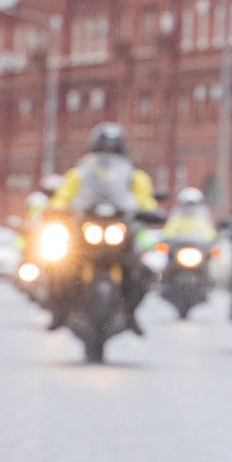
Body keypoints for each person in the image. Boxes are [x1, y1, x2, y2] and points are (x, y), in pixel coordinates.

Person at [46, 123, 159, 330]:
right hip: (85, 227)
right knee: (59, 265)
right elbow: (63, 196)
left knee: (141, 270)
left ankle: (131, 312)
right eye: (104, 149)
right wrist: (56, 209)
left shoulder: (134, 176)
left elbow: (146, 200)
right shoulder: (79, 174)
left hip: (120, 228)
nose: (108, 154)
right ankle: (59, 311)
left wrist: (151, 212)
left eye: (113, 150)